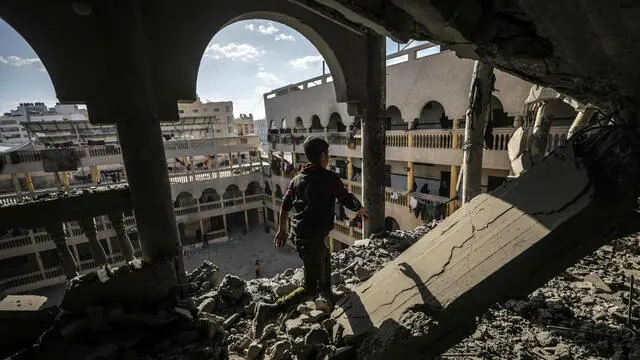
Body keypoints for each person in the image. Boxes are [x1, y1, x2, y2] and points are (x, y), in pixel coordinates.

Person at [253, 137, 368, 336]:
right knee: (309, 287)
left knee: (325, 255)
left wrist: (281, 229)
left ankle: (329, 295)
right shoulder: (328, 177)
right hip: (310, 238)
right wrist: (360, 210)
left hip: (303, 235)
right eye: (328, 154)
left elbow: (285, 206)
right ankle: (270, 310)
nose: (329, 158)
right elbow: (345, 197)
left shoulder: (297, 180)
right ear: (323, 156)